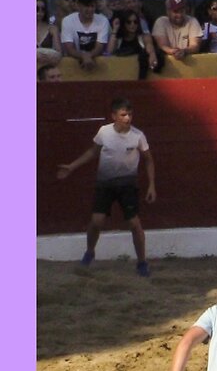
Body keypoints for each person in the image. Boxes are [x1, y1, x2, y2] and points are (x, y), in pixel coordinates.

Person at [55, 97, 156, 277]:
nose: (128, 118)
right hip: (105, 184)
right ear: (114, 116)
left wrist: (151, 185)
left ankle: (142, 262)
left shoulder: (137, 135)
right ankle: (90, 251)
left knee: (134, 223)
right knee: (96, 221)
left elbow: (148, 160)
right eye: (123, 115)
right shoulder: (104, 131)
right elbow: (93, 152)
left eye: (130, 114)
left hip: (127, 185)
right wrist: (72, 166)